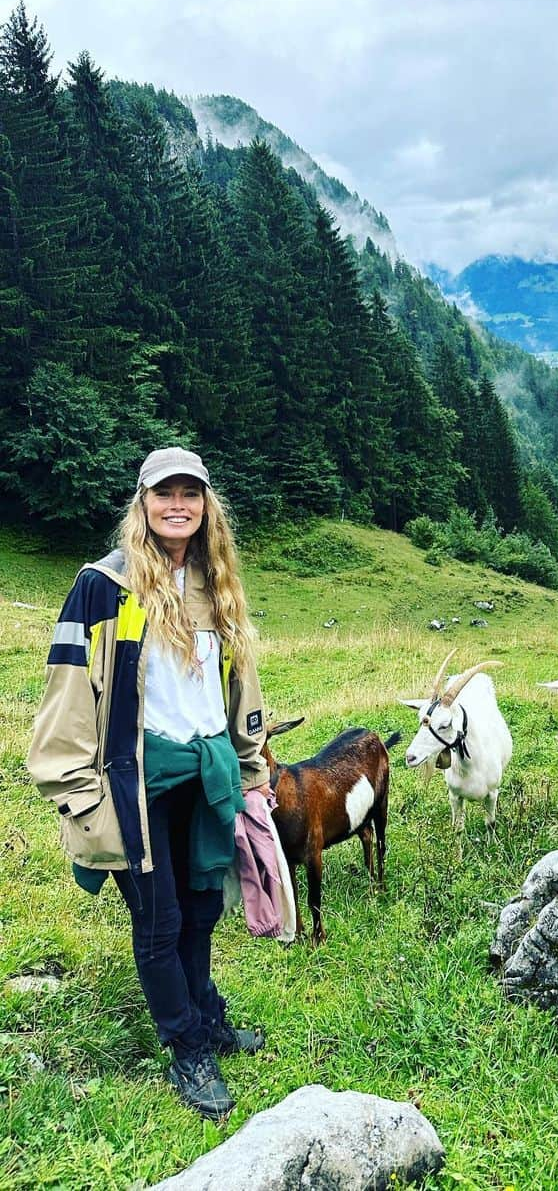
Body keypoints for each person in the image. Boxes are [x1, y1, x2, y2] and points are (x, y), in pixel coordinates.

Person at [28, 447, 272, 1121]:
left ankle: (207, 1015)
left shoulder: (215, 578)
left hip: (206, 775)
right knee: (159, 919)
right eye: (165, 493)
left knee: (201, 910)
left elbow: (238, 681)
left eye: (190, 494)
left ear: (204, 505)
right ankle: (188, 1047)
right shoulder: (104, 586)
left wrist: (251, 762)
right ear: (142, 502)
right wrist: (74, 787)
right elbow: (69, 687)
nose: (178, 505)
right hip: (133, 782)